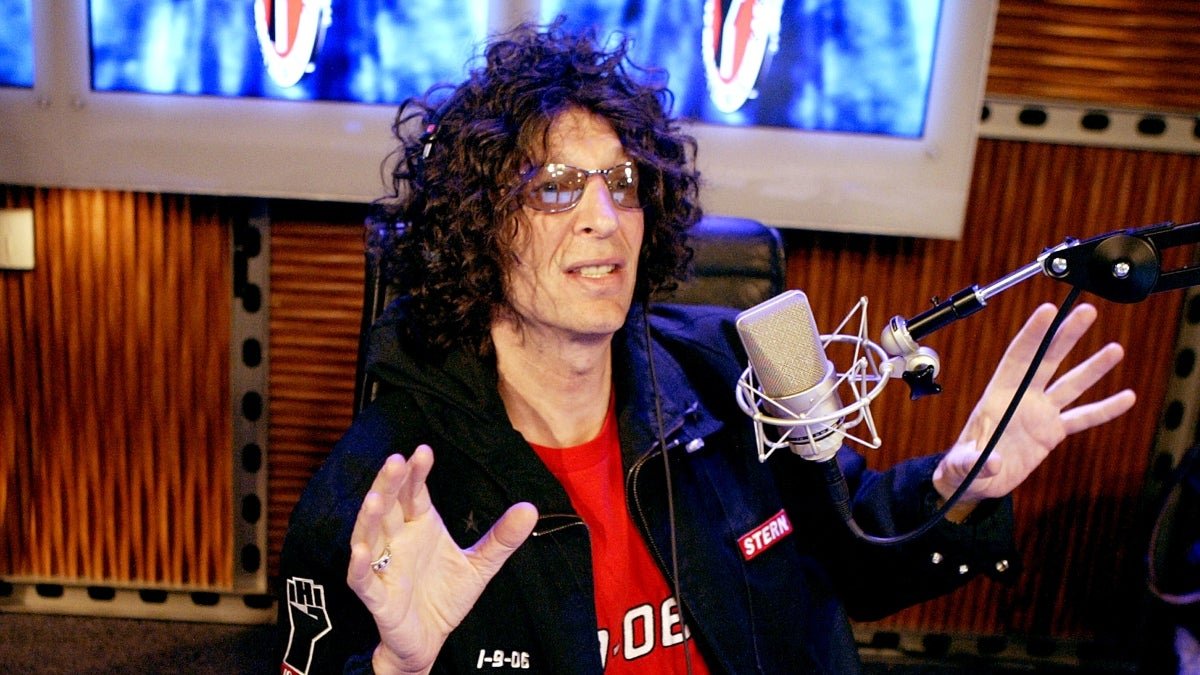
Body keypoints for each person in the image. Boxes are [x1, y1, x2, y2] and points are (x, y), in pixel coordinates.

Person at [277, 21, 1137, 675]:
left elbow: (855, 553)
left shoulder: (730, 371)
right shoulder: (378, 491)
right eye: (557, 187)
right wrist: (397, 668)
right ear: (477, 226)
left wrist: (957, 482)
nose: (605, 217)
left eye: (623, 182)